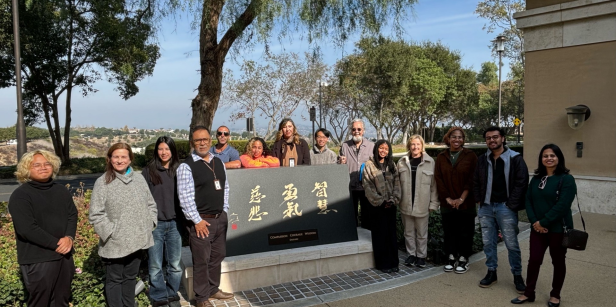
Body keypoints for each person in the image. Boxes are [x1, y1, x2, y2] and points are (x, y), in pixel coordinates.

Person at [89, 143, 158, 307]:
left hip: (139, 240)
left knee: (130, 278)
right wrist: (112, 233)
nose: (120, 160)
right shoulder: (103, 182)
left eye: (123, 157)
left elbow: (151, 204)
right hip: (115, 243)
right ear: (109, 159)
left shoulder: (139, 178)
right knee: (114, 280)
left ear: (130, 159)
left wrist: (150, 224)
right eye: (116, 157)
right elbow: (96, 214)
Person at [9, 150, 77, 307]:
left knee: (62, 301)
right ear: (27, 169)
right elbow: (27, 229)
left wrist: (69, 238)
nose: (43, 167)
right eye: (36, 165)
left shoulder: (61, 190)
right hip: (38, 259)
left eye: (47, 163)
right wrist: (57, 244)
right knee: (40, 302)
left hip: (64, 257)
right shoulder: (21, 195)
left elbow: (72, 215)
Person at [511, 144, 576, 307]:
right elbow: (528, 200)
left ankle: (555, 295)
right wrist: (535, 222)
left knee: (558, 261)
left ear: (559, 158)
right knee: (534, 260)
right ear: (541, 159)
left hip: (558, 229)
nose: (549, 158)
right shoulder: (536, 179)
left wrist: (543, 222)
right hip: (537, 229)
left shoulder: (566, 179)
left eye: (552, 155)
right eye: (545, 156)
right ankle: (529, 293)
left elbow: (562, 206)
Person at [177, 126, 233, 307]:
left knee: (218, 255)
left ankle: (213, 288)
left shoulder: (218, 161)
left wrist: (224, 211)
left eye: (205, 139)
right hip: (201, 221)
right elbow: (185, 198)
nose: (202, 143)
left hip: (219, 218)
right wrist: (197, 221)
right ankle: (201, 298)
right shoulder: (187, 166)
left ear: (210, 141)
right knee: (201, 259)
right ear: (192, 143)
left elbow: (225, 188)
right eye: (198, 140)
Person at [473, 126, 529, 293]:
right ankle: (491, 272)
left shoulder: (516, 158)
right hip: (486, 207)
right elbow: (475, 181)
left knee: (511, 243)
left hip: (506, 207)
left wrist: (510, 204)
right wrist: (479, 200)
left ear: (503, 138)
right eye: (488, 138)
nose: (492, 140)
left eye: (495, 137)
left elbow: (522, 182)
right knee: (488, 242)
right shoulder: (482, 159)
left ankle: (517, 275)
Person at [142, 137, 183, 307]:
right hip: (155, 224)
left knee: (174, 264)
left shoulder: (180, 170)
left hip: (175, 223)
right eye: (160, 149)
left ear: (172, 151)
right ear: (156, 151)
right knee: (155, 264)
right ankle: (159, 296)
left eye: (167, 149)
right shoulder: (148, 171)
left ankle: (172, 293)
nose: (164, 152)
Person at [434, 127, 478, 274]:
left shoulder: (470, 156)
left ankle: (464, 258)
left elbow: (472, 179)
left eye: (460, 137)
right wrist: (448, 198)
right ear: (448, 138)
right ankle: (451, 257)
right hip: (447, 203)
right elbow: (438, 179)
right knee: (450, 231)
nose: (457, 140)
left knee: (465, 232)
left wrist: (461, 199)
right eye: (454, 137)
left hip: (466, 203)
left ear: (463, 139)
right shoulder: (441, 156)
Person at [397, 135, 439, 268]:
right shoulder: (402, 162)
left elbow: (434, 186)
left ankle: (421, 256)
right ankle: (411, 255)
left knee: (422, 233)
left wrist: (433, 203)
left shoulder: (430, 162)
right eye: (413, 144)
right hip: (406, 203)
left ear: (422, 146)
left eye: (418, 144)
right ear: (409, 146)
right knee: (408, 232)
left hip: (422, 204)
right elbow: (397, 184)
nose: (415, 147)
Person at [362, 139, 401, 273]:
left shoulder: (392, 165)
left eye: (386, 149)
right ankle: (383, 264)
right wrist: (380, 201)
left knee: (391, 235)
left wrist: (393, 199)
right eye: (381, 148)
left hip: (391, 205)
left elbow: (397, 183)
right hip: (377, 206)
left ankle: (394, 263)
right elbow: (367, 186)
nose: (383, 151)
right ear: (376, 148)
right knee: (380, 235)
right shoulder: (369, 165)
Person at [339, 119, 375, 229]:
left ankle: (367, 240)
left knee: (367, 216)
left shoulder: (371, 146)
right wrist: (340, 161)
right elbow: (339, 163)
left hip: (366, 187)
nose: (356, 131)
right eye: (354, 129)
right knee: (350, 216)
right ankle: (353, 238)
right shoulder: (345, 146)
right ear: (351, 131)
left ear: (363, 131)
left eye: (359, 129)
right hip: (350, 186)